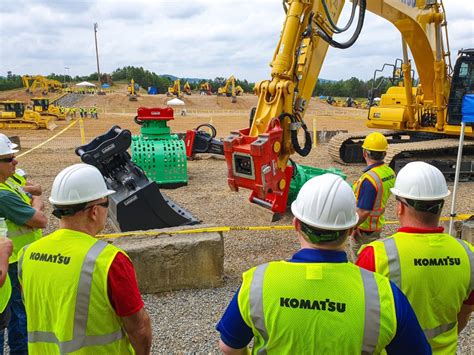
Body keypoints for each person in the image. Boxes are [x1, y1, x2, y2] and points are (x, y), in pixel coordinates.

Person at [216, 173, 430, 354]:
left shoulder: (257, 282)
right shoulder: (383, 294)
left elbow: (229, 347)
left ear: (296, 223)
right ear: (350, 229)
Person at [18, 163, 152, 354]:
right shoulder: (109, 261)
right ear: (94, 211)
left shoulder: (28, 253)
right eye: (107, 202)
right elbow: (138, 327)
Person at [356, 161, 473, 354]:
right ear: (441, 205)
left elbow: (361, 320)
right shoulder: (467, 254)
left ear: (400, 207)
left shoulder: (375, 255)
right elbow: (465, 312)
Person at [0, 139, 47, 354]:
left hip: (18, 259)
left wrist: (33, 201)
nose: (15, 161)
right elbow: (40, 219)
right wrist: (34, 204)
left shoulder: (8, 184)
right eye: (9, 159)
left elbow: (35, 193)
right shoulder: (3, 195)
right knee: (20, 315)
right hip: (12, 263)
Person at [350, 132, 396, 260]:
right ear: (384, 154)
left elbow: (364, 211)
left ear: (365, 153)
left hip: (364, 230)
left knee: (361, 264)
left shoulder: (369, 179)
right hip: (376, 225)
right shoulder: (389, 172)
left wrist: (353, 226)